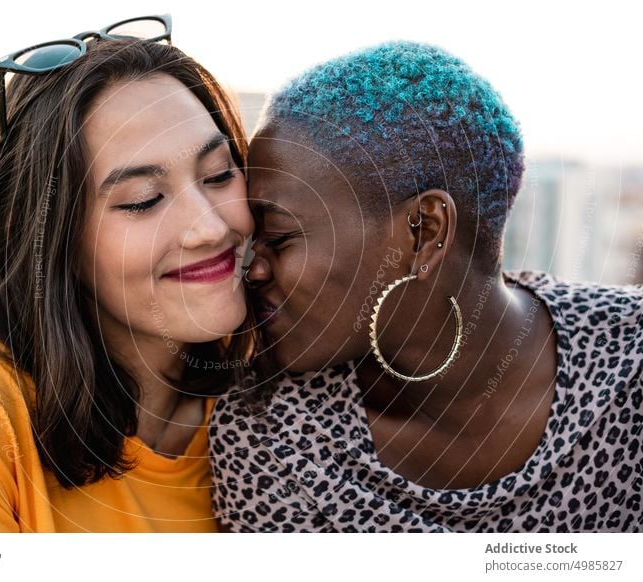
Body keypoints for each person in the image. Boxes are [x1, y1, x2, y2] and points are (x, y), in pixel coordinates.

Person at [210, 41, 643, 532]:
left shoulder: (630, 371)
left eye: (279, 237)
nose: (254, 270)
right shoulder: (271, 439)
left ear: (424, 230)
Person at [0, 16, 255, 532]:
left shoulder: (295, 393)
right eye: (144, 200)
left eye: (220, 174)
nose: (208, 226)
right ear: (50, 237)